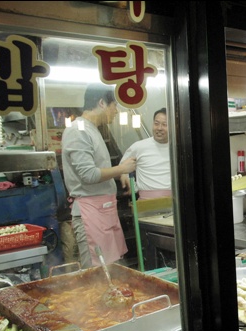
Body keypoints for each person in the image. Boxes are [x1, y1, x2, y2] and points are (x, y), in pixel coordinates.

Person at [61, 83, 136, 269]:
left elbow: (96, 170)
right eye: (114, 105)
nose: (116, 111)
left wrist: (118, 175)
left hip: (103, 210)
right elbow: (88, 175)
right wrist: (121, 169)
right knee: (97, 274)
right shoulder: (78, 131)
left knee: (112, 270)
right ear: (102, 103)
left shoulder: (91, 129)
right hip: (90, 214)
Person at [120, 108, 172, 200]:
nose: (159, 128)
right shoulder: (139, 146)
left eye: (165, 124)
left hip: (174, 202)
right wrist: (125, 176)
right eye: (156, 123)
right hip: (146, 202)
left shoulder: (177, 148)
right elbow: (122, 168)